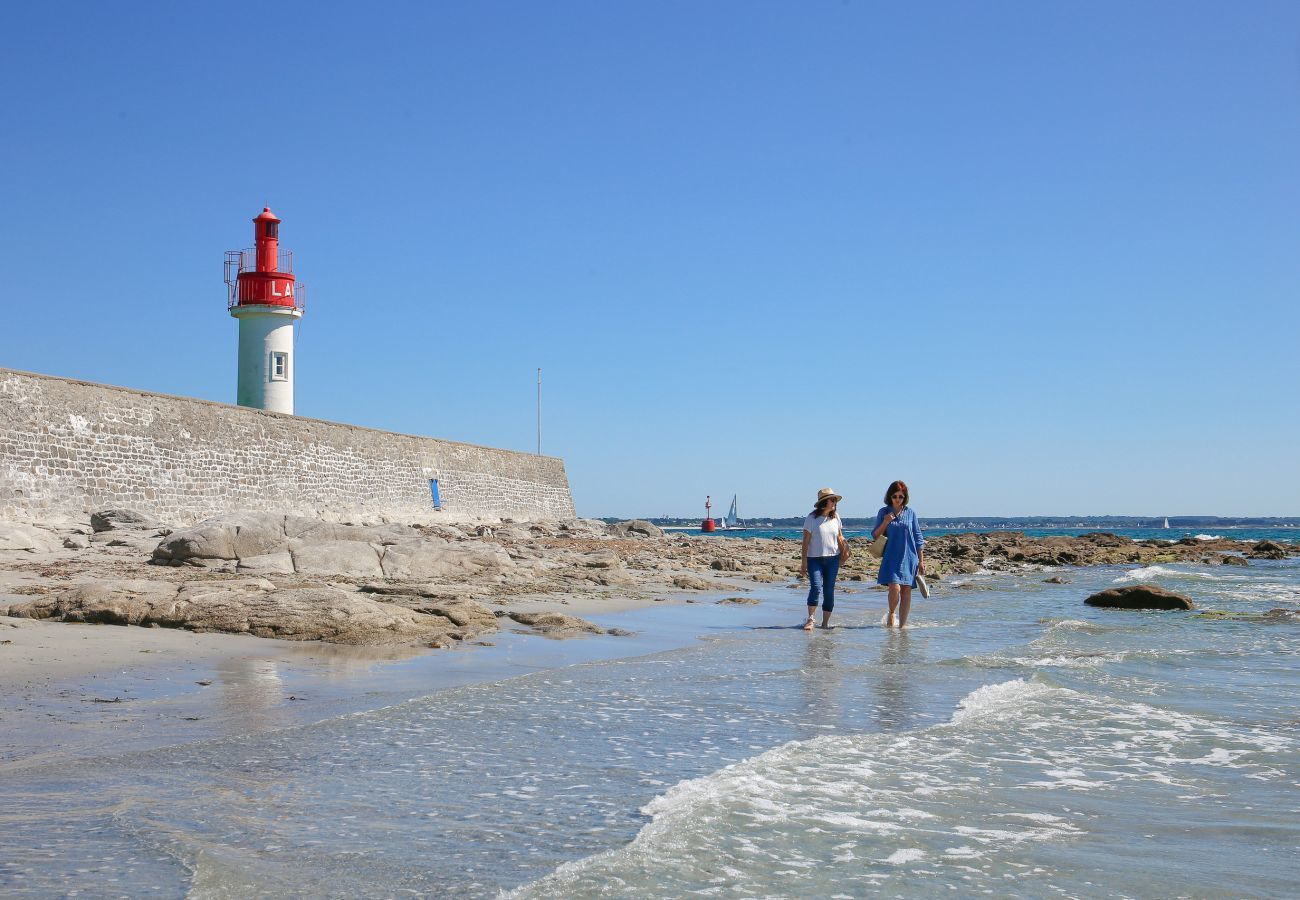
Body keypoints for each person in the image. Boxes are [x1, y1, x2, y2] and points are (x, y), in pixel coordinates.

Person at [872, 480, 925, 627]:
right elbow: (875, 535)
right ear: (890, 496)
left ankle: (902, 626)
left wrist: (921, 561)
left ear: (905, 497)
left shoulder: (911, 513)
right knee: (894, 587)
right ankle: (892, 612)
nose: (897, 499)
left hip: (909, 557)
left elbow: (918, 537)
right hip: (891, 556)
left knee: (906, 590)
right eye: (895, 496)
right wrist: (885, 522)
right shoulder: (884, 512)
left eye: (900, 496)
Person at [799, 487, 850, 631]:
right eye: (832, 500)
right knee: (815, 587)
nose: (834, 502)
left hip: (832, 559)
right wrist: (803, 562)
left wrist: (845, 550)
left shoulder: (836, 517)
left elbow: (840, 536)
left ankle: (825, 623)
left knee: (829, 591)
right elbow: (805, 541)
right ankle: (810, 619)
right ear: (823, 502)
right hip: (814, 559)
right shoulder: (811, 519)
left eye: (835, 500)